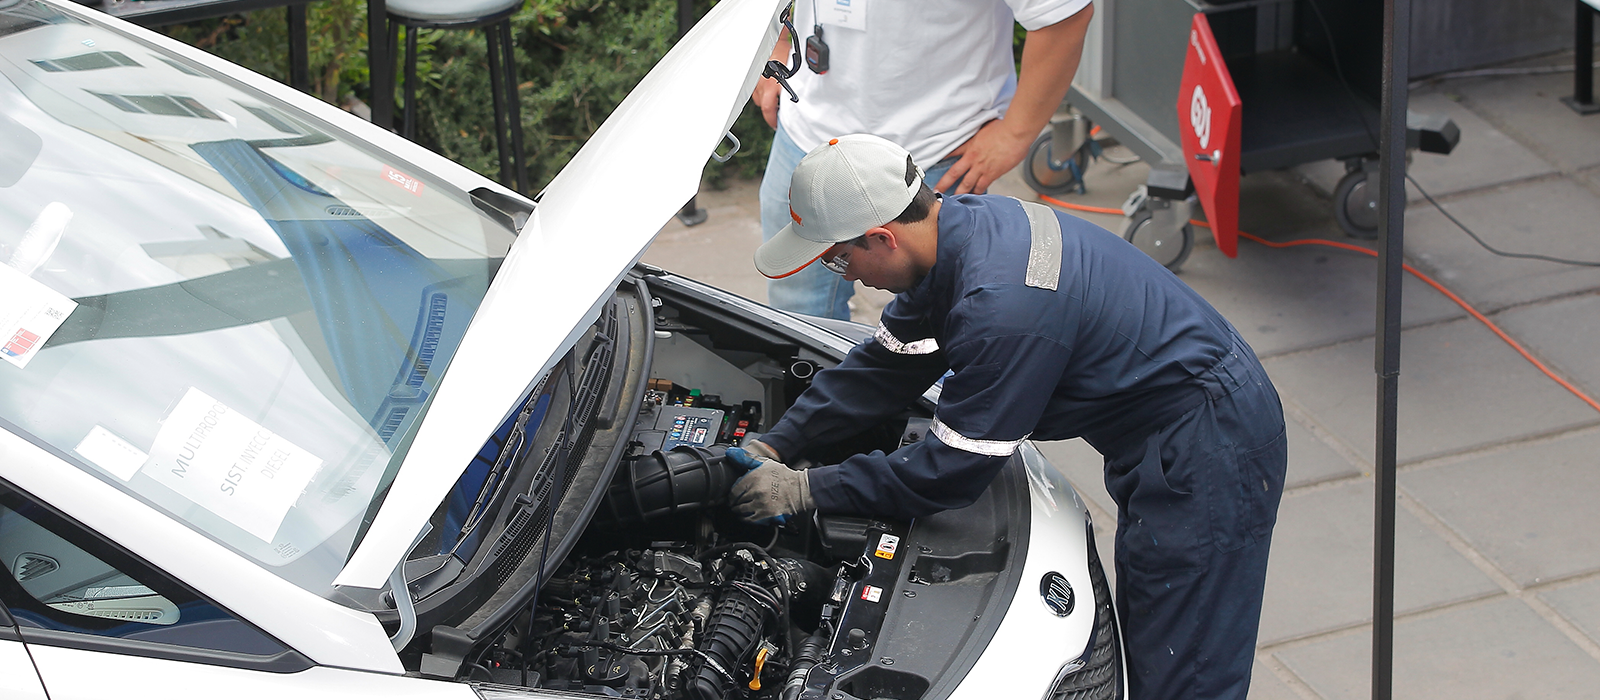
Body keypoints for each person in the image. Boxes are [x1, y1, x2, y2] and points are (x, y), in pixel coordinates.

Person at [729, 134, 1288, 700]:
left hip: (1210, 441)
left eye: (837, 257)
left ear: (882, 237)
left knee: (1182, 666)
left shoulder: (1001, 304)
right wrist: (776, 444)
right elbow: (882, 370)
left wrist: (808, 489)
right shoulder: (955, 233)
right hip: (1168, 426)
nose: (840, 272)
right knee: (1158, 619)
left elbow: (951, 469)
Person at [753, 0, 1094, 320]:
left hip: (934, 156)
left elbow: (1062, 13)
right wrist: (769, 45)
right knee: (797, 318)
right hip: (807, 137)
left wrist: (1016, 135)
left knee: (944, 332)